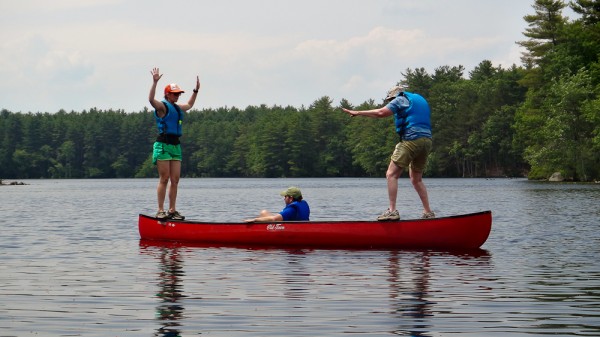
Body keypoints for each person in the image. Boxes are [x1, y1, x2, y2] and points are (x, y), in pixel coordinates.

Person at [342, 85, 435, 221]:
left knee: (391, 174)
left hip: (411, 139)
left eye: (390, 100)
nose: (390, 102)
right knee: (416, 179)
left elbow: (381, 113)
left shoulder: (400, 99)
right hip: (427, 141)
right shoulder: (418, 99)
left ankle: (392, 211)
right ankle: (428, 212)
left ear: (394, 96)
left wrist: (358, 112)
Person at [149, 67, 200, 220]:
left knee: (175, 180)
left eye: (179, 94)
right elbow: (151, 100)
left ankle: (172, 210)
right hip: (163, 145)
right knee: (164, 178)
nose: (177, 96)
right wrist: (155, 82)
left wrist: (195, 91)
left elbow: (190, 105)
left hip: (175, 146)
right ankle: (160, 210)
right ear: (168, 94)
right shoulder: (162, 107)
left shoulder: (177, 108)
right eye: (175, 94)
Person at [245, 186, 310, 222]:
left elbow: (274, 219)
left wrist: (254, 220)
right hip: (295, 224)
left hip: (288, 227)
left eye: (285, 196)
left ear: (291, 198)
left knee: (263, 216)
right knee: (264, 212)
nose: (284, 199)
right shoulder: (303, 203)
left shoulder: (292, 209)